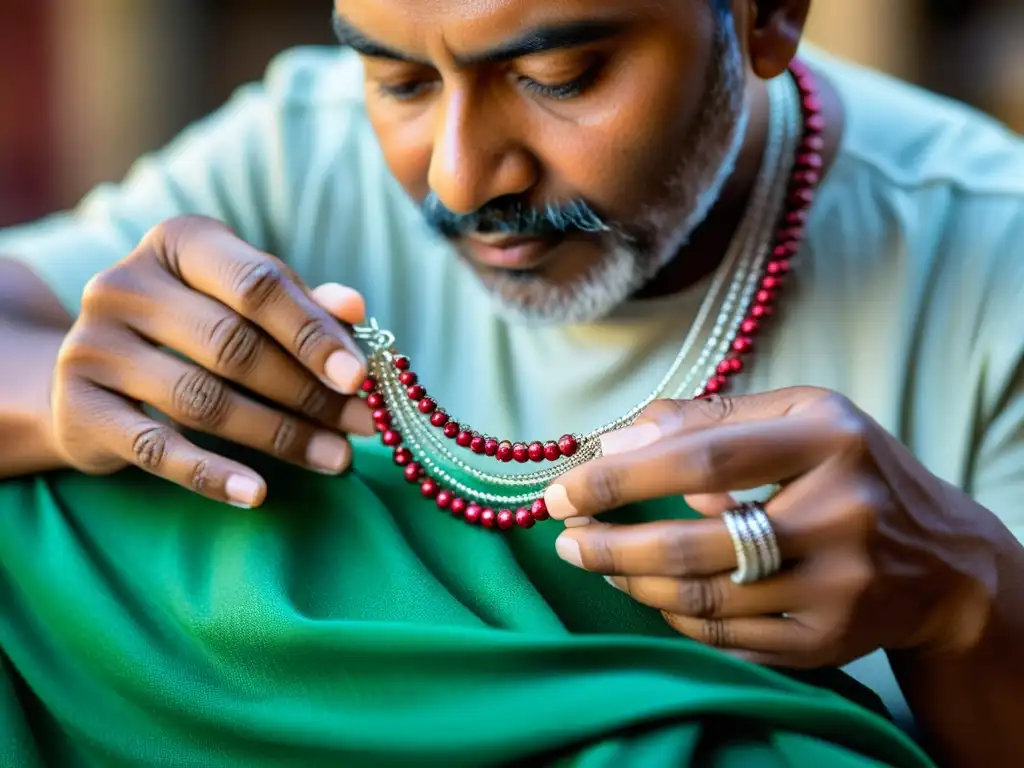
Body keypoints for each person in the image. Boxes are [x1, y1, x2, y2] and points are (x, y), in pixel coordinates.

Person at [0, 0, 1021, 765]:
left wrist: (963, 603)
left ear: (765, 16)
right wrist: (70, 386)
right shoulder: (301, 147)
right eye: (399, 81)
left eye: (559, 74)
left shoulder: (993, 259)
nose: (456, 177)